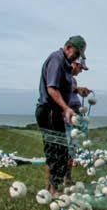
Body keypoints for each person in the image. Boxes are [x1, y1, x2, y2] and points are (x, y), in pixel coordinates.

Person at [37, 36, 87, 193]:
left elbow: (65, 86)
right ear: (68, 47)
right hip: (49, 111)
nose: (76, 57)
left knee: (62, 150)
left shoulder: (64, 63)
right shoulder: (56, 59)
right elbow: (52, 88)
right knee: (54, 150)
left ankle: (52, 188)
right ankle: (52, 190)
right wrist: (66, 108)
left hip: (56, 112)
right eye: (76, 53)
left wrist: (77, 90)